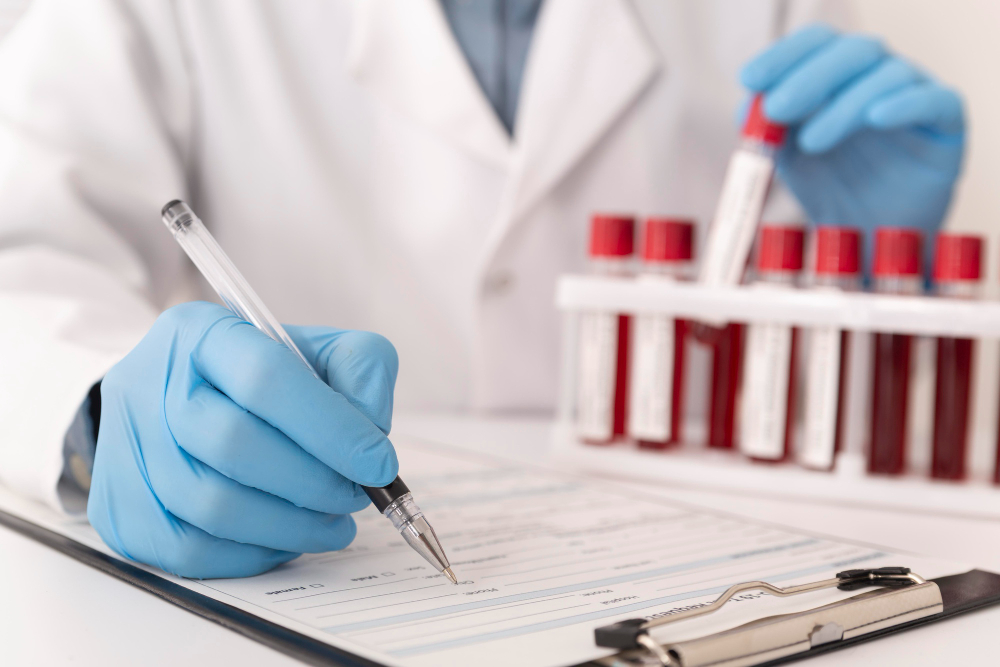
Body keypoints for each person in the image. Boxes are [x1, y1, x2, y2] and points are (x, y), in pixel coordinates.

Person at [0, 0, 964, 578]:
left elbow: (794, 404)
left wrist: (872, 279)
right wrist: (98, 404)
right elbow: (21, 253)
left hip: (663, 538)